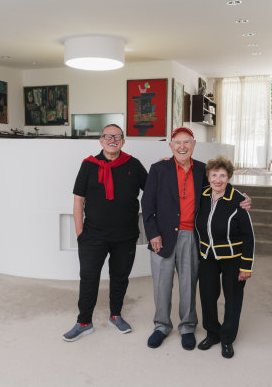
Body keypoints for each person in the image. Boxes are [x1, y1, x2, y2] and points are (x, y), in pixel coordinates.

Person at [141, 127, 251, 350]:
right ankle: (161, 326)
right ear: (171, 146)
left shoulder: (203, 170)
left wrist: (244, 198)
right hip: (161, 236)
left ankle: (188, 326)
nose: (182, 146)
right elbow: (147, 204)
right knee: (161, 286)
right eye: (177, 142)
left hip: (192, 236)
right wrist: (152, 234)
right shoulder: (158, 168)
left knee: (188, 285)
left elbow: (221, 185)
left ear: (194, 145)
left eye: (187, 142)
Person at [62, 124, 147, 342]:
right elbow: (78, 200)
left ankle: (115, 315)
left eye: (117, 137)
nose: (112, 140)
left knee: (120, 278)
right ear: (101, 141)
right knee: (89, 278)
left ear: (123, 141)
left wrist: (166, 167)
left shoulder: (133, 165)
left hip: (125, 236)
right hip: (93, 236)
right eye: (108, 136)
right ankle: (84, 322)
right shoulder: (88, 166)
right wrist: (80, 232)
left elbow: (153, 190)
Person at [195, 156, 255, 359]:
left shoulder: (239, 200)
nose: (218, 180)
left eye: (222, 175)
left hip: (233, 259)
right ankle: (212, 333)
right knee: (207, 296)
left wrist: (246, 266)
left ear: (229, 177)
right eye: (214, 175)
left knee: (233, 299)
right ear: (208, 177)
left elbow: (249, 236)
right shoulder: (202, 195)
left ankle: (227, 339)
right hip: (208, 257)